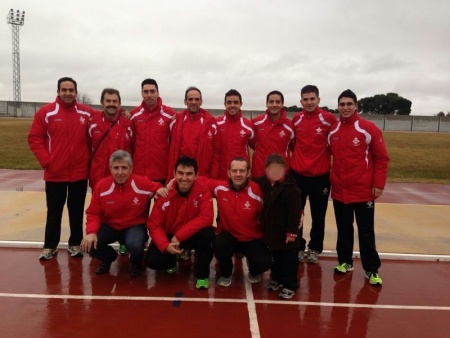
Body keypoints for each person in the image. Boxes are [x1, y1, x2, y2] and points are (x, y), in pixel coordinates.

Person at [28, 77, 96, 260]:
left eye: (71, 90)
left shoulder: (86, 113)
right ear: (58, 91)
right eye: (64, 90)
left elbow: (105, 117)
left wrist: (122, 112)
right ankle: (50, 246)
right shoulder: (46, 112)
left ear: (76, 92)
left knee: (76, 210)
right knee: (54, 211)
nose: (68, 93)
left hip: (79, 173)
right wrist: (47, 162)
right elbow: (34, 138)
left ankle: (75, 244)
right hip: (55, 174)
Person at [328, 89, 389, 286]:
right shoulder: (333, 131)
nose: (345, 108)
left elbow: (381, 158)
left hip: (363, 191)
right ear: (338, 107)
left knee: (366, 231)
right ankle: (345, 262)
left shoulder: (367, 128)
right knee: (344, 229)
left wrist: (378, 184)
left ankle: (371, 269)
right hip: (339, 191)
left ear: (356, 106)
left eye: (349, 104)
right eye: (342, 104)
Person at [80, 150, 167, 277]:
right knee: (89, 244)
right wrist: (91, 232)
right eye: (116, 168)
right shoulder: (101, 186)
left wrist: (162, 189)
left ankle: (136, 263)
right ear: (110, 169)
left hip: (134, 226)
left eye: (124, 168)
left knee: (135, 244)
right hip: (110, 226)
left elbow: (159, 188)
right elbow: (93, 213)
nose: (120, 172)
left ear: (131, 169)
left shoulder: (141, 183)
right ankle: (108, 258)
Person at [200, 157, 271, 286]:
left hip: (251, 237)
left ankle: (253, 269)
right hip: (229, 234)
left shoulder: (258, 191)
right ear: (229, 173)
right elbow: (199, 180)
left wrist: (299, 213)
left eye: (242, 171)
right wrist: (174, 180)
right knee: (218, 246)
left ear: (248, 173)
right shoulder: (220, 188)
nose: (238, 174)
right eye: (234, 171)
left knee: (264, 262)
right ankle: (226, 273)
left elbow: (278, 198)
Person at [145, 156, 215, 289]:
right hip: (170, 237)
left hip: (188, 235)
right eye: (180, 173)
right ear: (174, 174)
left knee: (207, 234)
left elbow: (206, 217)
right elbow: (154, 225)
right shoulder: (165, 193)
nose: (184, 178)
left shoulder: (203, 191)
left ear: (196, 175)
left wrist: (179, 236)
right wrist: (165, 245)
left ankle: (202, 275)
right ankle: (171, 259)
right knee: (153, 261)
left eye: (189, 174)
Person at [290, 85, 338, 263]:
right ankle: (298, 246)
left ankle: (315, 247)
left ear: (319, 99)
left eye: (312, 99)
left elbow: (334, 144)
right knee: (297, 213)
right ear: (301, 101)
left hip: (320, 177)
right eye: (305, 99)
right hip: (298, 175)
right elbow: (294, 144)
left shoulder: (329, 119)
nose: (309, 102)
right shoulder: (296, 119)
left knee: (319, 214)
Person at [253, 154, 302, 299]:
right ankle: (276, 278)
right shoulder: (261, 183)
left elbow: (295, 213)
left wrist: (292, 232)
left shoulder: (292, 190)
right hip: (271, 230)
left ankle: (290, 284)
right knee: (275, 256)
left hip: (287, 231)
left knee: (288, 259)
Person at [130, 78, 177, 185]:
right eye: (146, 92)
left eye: (152, 91)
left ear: (158, 92)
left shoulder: (170, 115)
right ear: (142, 93)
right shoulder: (134, 115)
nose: (149, 95)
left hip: (162, 172)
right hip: (139, 173)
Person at [167, 87, 219, 179]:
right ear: (185, 101)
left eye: (197, 99)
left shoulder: (210, 123)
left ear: (201, 101)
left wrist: (213, 177)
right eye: (190, 99)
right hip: (180, 175)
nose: (193, 102)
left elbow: (215, 152)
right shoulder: (176, 121)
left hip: (201, 174)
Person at [88, 88, 132, 190]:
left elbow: (132, 149)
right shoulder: (92, 123)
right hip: (98, 178)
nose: (111, 104)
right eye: (108, 101)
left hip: (121, 178)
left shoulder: (128, 124)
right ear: (102, 102)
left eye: (114, 101)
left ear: (119, 103)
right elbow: (87, 148)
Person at [251, 90, 295, 177]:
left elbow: (294, 146)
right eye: (271, 102)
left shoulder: (290, 126)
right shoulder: (256, 123)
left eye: (278, 102)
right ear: (266, 104)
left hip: (281, 175)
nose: (274, 104)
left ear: (282, 104)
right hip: (259, 173)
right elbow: (251, 143)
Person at [215, 89, 254, 180]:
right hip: (221, 175)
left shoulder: (248, 125)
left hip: (240, 175)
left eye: (236, 102)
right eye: (229, 102)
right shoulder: (216, 124)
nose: (232, 105)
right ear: (225, 104)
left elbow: (255, 145)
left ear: (241, 104)